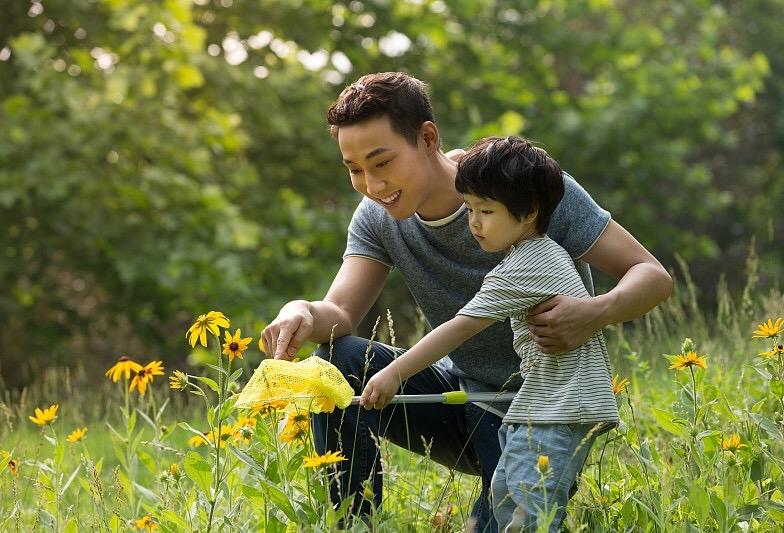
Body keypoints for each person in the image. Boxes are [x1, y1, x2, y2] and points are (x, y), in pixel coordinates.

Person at [260, 72, 671, 532]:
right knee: (337, 360)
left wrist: (596, 312)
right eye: (355, 170)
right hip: (459, 396)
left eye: (382, 162)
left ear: (427, 138)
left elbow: (652, 276)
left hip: (540, 411)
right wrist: (300, 310)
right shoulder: (377, 217)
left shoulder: (521, 187)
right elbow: (339, 315)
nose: (372, 185)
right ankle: (353, 525)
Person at [360, 136, 620, 532]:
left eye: (486, 211)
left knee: (528, 509)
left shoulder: (526, 267)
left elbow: (460, 327)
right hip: (544, 400)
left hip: (561, 405)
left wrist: (395, 373)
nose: (474, 224)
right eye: (469, 209)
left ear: (529, 212)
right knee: (506, 492)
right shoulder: (530, 252)